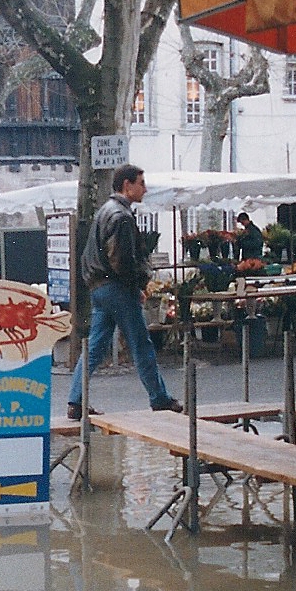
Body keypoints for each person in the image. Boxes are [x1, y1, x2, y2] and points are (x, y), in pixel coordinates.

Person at [66, 164, 182, 421]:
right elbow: (122, 260)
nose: (145, 189)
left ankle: (76, 400)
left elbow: (92, 255)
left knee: (95, 346)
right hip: (117, 287)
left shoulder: (105, 212)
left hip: (99, 287)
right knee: (140, 343)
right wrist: (138, 285)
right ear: (127, 185)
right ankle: (159, 397)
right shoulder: (121, 217)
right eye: (141, 183)